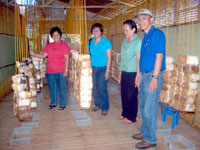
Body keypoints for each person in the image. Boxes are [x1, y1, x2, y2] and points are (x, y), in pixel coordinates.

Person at [132, 8, 166, 149]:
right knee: (143, 107)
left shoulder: (157, 34)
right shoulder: (145, 36)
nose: (141, 21)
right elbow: (143, 59)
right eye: (139, 19)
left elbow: (159, 56)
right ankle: (145, 132)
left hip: (152, 75)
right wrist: (139, 75)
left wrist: (155, 77)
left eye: (144, 18)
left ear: (151, 19)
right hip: (145, 75)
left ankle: (150, 139)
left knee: (149, 109)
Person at [30, 27, 70, 110]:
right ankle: (53, 103)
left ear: (60, 36)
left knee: (62, 88)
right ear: (51, 36)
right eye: (54, 35)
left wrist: (66, 71)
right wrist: (34, 54)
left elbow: (67, 58)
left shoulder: (64, 46)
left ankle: (63, 104)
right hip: (50, 71)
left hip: (61, 71)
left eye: (57, 35)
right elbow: (43, 56)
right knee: (52, 88)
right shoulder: (49, 46)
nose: (56, 36)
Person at [118, 20, 141, 124]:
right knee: (123, 93)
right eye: (124, 30)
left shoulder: (138, 42)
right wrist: (120, 70)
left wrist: (138, 75)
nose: (125, 32)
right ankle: (125, 113)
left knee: (131, 95)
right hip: (125, 71)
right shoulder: (124, 41)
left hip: (133, 72)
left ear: (133, 30)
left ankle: (132, 117)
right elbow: (123, 57)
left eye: (127, 30)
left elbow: (139, 60)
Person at [89, 23, 112, 116]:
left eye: (98, 30)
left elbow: (109, 57)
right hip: (93, 68)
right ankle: (97, 104)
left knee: (102, 88)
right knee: (95, 88)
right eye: (94, 30)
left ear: (101, 32)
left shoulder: (106, 42)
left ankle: (105, 107)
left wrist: (108, 71)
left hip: (103, 68)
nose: (96, 32)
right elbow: (90, 54)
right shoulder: (91, 42)